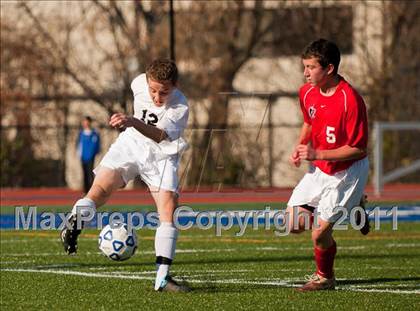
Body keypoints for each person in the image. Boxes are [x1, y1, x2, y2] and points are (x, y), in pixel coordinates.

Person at [61, 59, 190, 292]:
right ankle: (74, 223)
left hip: (161, 156)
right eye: (153, 90)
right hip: (130, 145)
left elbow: (160, 135)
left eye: (164, 92)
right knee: (99, 190)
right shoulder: (137, 82)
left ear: (175, 86)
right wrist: (128, 123)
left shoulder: (180, 105)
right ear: (146, 81)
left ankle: (162, 278)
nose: (157, 97)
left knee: (168, 211)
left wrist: (131, 121)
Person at [287, 39, 370, 292]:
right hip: (319, 169)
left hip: (347, 172)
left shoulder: (350, 100)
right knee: (293, 225)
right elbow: (309, 121)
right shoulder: (307, 92)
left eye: (311, 67)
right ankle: (355, 205)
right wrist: (301, 147)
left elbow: (358, 148)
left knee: (319, 235)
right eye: (305, 66)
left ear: (329, 68)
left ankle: (325, 278)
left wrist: (317, 152)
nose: (305, 73)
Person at [77, 116, 101, 194]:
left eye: (87, 122)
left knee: (90, 174)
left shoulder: (94, 133)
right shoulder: (81, 133)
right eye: (84, 122)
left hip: (91, 156)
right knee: (84, 174)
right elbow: (78, 145)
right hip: (83, 157)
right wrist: (79, 154)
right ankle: (85, 191)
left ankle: (91, 191)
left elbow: (97, 145)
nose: (86, 123)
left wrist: (95, 153)